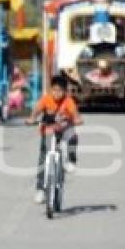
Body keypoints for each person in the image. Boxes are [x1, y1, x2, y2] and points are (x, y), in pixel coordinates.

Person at [26, 76, 83, 204]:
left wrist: (77, 119)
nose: (57, 93)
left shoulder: (68, 101)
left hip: (64, 129)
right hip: (49, 130)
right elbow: (37, 110)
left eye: (60, 90)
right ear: (51, 90)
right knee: (43, 158)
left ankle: (71, 161)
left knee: (73, 136)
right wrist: (31, 118)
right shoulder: (46, 99)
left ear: (65, 91)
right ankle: (40, 190)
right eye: (54, 90)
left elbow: (75, 114)